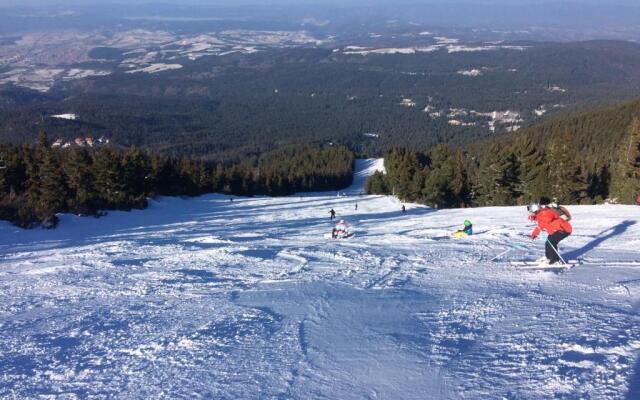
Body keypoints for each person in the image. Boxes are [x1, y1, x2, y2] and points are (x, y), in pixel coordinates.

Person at [528, 198, 573, 265]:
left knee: (551, 241)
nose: (531, 213)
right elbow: (541, 222)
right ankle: (549, 257)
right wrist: (535, 218)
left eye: (532, 211)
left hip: (564, 229)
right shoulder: (541, 213)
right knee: (548, 242)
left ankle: (555, 260)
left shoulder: (544, 213)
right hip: (557, 230)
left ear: (535, 210)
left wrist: (534, 234)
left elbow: (542, 224)